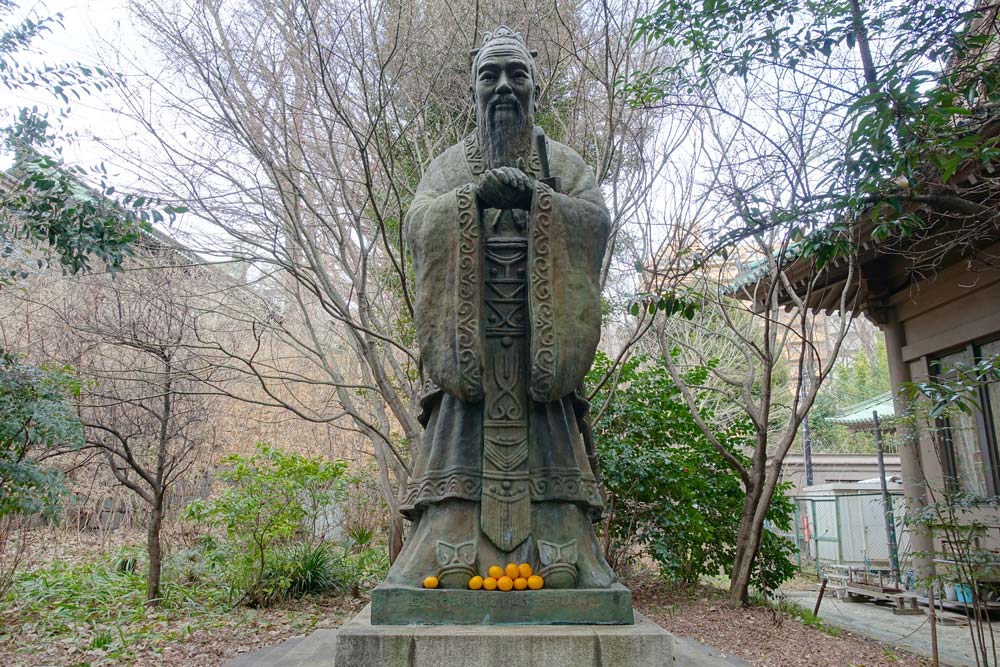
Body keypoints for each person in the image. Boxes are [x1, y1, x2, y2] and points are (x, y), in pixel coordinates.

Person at [385, 26, 615, 590]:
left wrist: (539, 199)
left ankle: (565, 558)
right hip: (471, 350)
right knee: (456, 456)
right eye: (490, 76)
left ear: (535, 87)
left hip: (542, 349)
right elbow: (419, 224)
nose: (505, 86)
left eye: (517, 75)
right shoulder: (448, 167)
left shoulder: (564, 163)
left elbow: (594, 222)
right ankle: (446, 555)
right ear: (473, 89)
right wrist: (474, 198)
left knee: (553, 457)